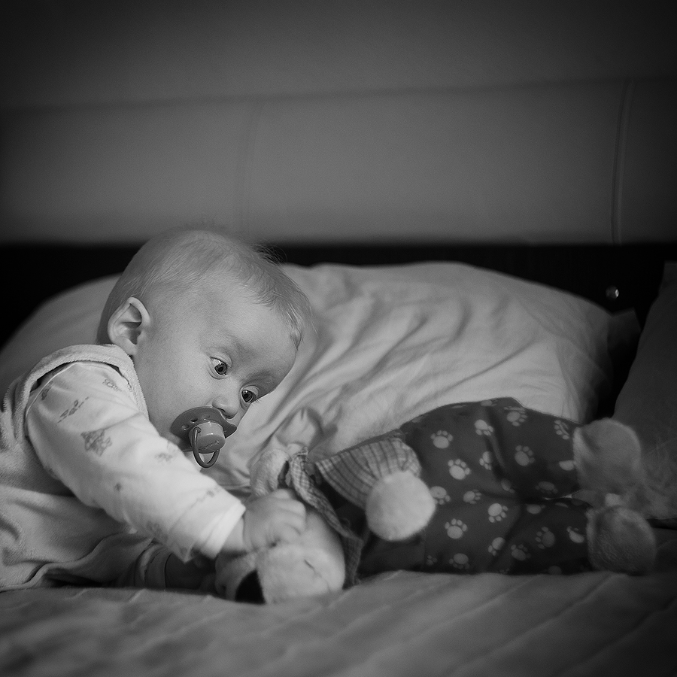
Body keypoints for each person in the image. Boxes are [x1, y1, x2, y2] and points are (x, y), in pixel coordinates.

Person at [0, 227, 311, 591]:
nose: (230, 407)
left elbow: (115, 560)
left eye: (248, 394)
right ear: (133, 331)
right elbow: (125, 463)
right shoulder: (77, 386)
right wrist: (231, 525)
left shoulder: (170, 470)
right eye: (220, 367)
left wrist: (172, 569)